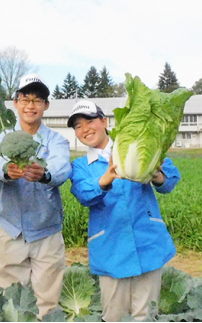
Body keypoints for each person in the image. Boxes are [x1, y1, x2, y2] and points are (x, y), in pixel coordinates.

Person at [67, 100, 180, 321]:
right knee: (114, 316)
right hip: (111, 249)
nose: (85, 129)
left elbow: (171, 179)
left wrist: (156, 174)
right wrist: (106, 178)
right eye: (78, 126)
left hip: (147, 242)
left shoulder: (135, 147)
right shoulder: (80, 166)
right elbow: (84, 194)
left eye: (89, 121)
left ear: (104, 121)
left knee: (146, 315)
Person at [0, 73, 72, 318]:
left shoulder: (56, 141)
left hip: (47, 233)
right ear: (16, 103)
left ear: (46, 105)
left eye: (37, 100)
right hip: (11, 231)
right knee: (10, 301)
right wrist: (6, 170)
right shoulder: (2, 137)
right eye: (25, 99)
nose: (30, 105)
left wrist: (45, 174)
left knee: (47, 302)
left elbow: (62, 168)